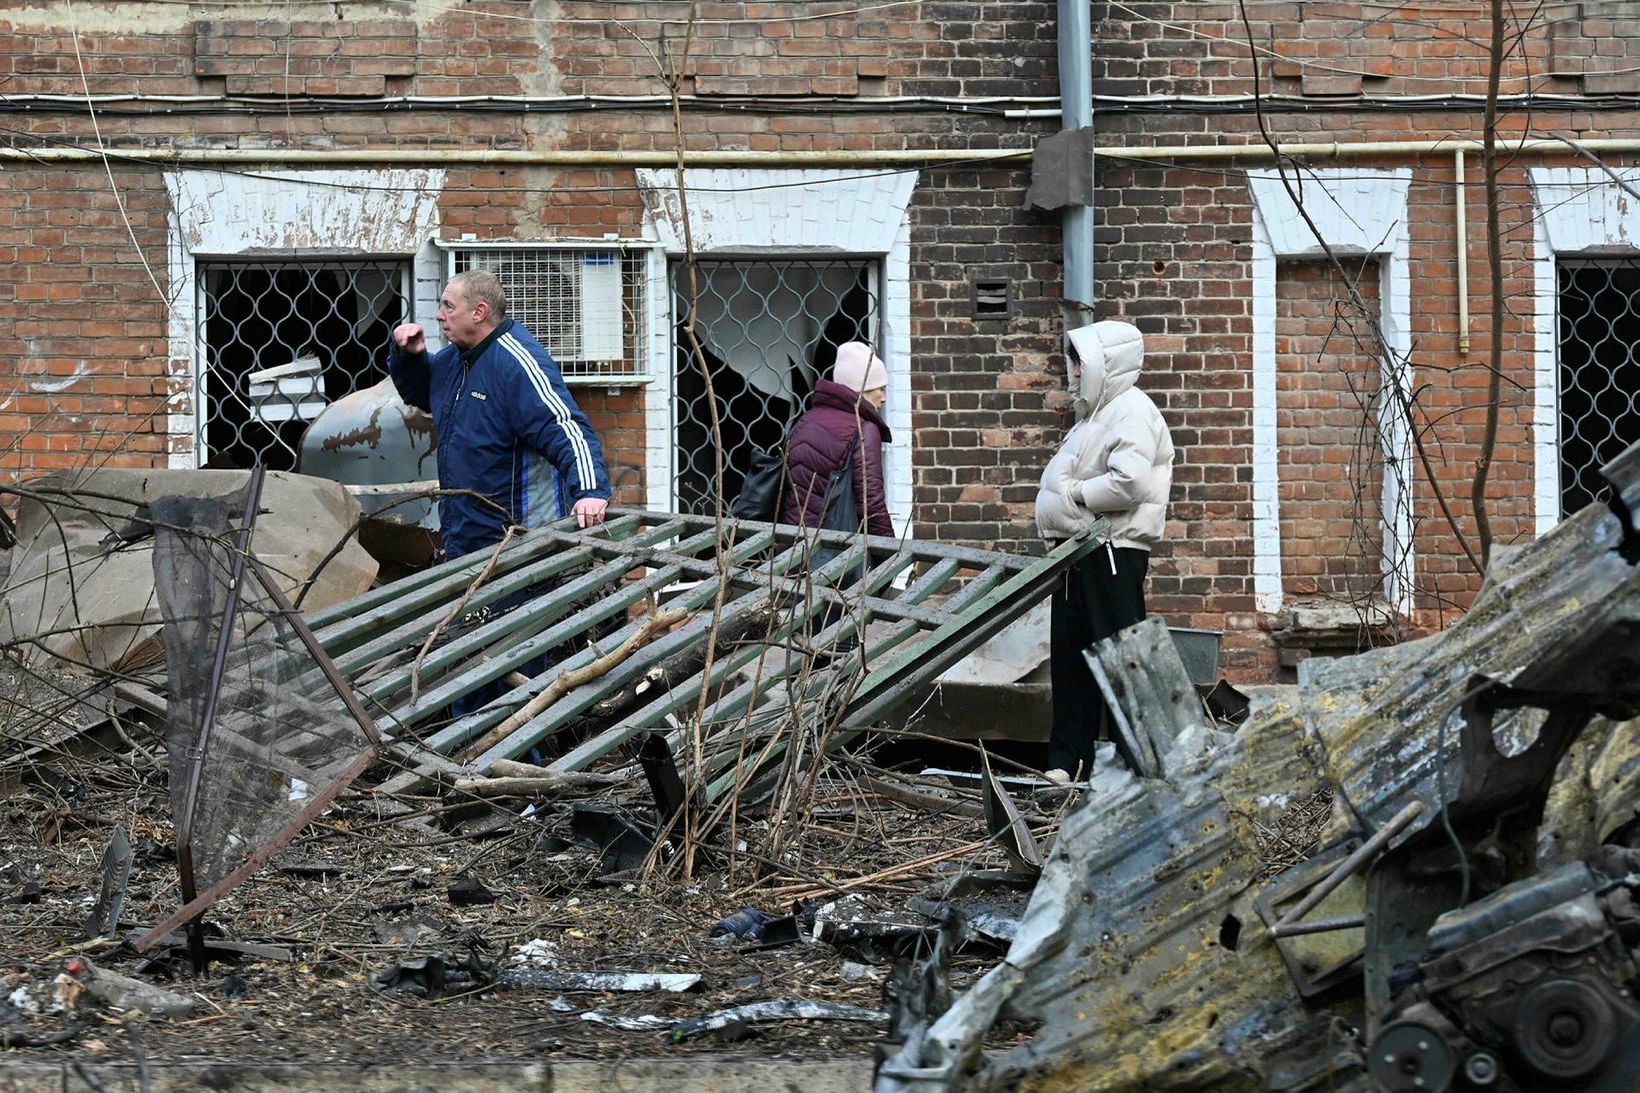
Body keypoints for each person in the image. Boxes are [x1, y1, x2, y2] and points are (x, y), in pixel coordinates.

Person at [388, 269, 611, 561]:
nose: (439, 315)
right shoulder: (455, 359)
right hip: (465, 535)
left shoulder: (517, 364)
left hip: (519, 542)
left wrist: (590, 491)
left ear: (479, 312)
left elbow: (565, 427)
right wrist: (410, 357)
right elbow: (423, 394)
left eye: (449, 306)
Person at [1034, 320, 1175, 783]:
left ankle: (1137, 768)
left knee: (1120, 661)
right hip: (1083, 551)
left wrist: (1074, 495)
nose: (1072, 372)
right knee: (1072, 660)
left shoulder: (1131, 411)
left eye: (1080, 362)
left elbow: (1129, 483)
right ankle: (1067, 762)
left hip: (1113, 551)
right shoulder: (1095, 416)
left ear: (1106, 364)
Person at [780, 340, 893, 538]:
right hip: (835, 552)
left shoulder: (806, 421)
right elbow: (871, 501)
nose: (883, 398)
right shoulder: (864, 428)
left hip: (793, 544)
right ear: (862, 389)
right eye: (880, 389)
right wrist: (891, 552)